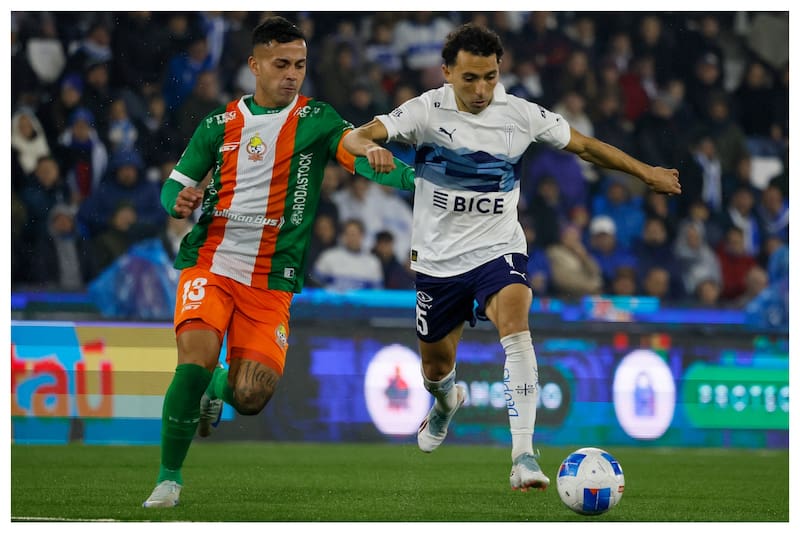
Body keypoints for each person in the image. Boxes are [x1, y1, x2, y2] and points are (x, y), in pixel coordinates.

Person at [343, 23, 680, 492]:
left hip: (498, 248)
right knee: (435, 369)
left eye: (490, 77)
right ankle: (446, 402)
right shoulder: (425, 110)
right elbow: (357, 137)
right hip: (438, 261)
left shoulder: (520, 114)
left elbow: (585, 146)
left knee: (517, 326)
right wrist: (368, 148)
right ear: (447, 72)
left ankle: (523, 455)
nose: (481, 90)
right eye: (470, 78)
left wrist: (646, 173)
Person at [142, 16, 413, 509]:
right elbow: (175, 185)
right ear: (255, 65)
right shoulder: (218, 124)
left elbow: (352, 149)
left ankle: (217, 387)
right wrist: (176, 203)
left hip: (272, 280)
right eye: (282, 64)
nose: (292, 74)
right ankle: (168, 481)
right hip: (212, 261)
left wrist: (410, 178)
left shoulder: (317, 119)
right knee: (194, 362)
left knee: (250, 396)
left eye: (300, 65)